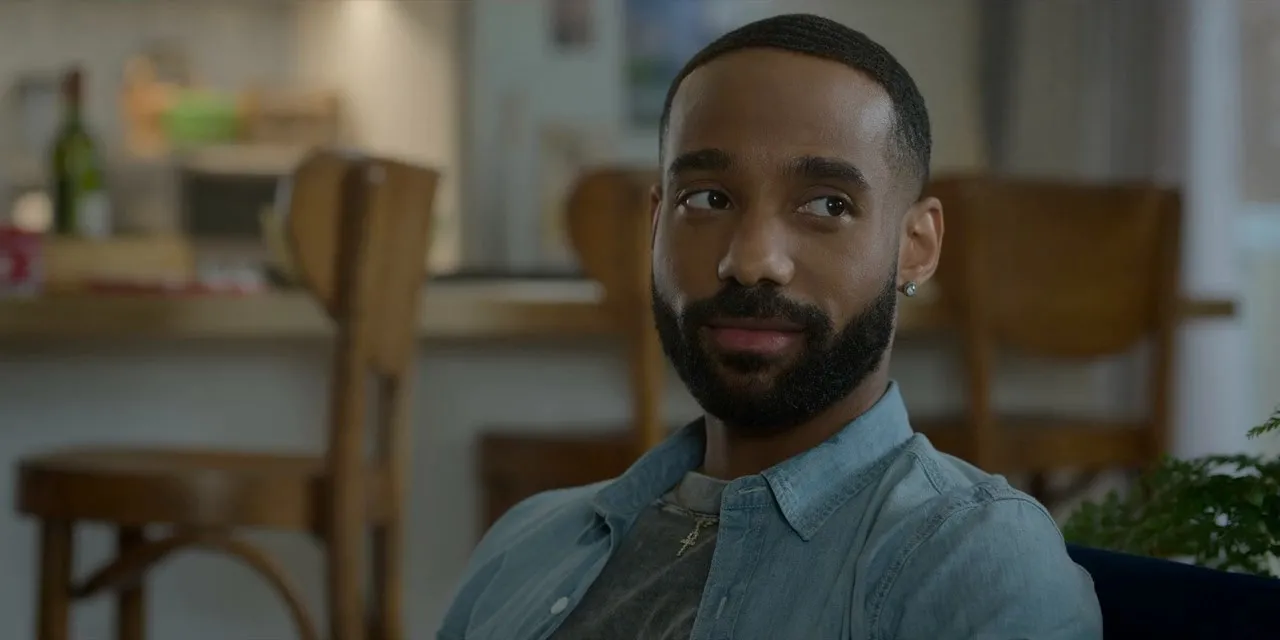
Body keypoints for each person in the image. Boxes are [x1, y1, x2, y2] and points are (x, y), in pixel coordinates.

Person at [438, 13, 1102, 640]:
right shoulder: (526, 541)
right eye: (707, 199)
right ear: (656, 225)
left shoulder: (973, 560)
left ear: (916, 245)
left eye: (828, 205)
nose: (751, 260)